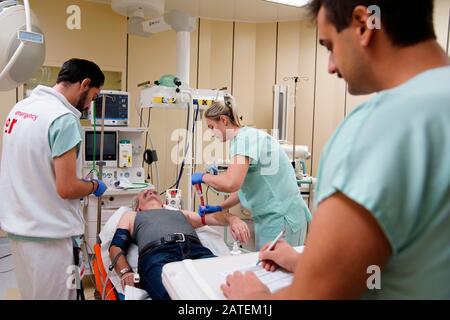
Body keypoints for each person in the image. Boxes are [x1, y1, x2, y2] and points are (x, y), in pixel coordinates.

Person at [221, 0, 450, 299]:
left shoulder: (377, 128)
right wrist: (306, 263)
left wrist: (253, 298)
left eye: (329, 45)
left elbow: (318, 296)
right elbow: (412, 259)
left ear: (363, 23)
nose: (330, 65)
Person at [0, 58, 108, 300]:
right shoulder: (63, 119)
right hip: (51, 239)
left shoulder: (21, 109)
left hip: (18, 231)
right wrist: (93, 186)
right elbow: (67, 187)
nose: (90, 105)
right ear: (85, 84)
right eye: (93, 96)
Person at [191, 94, 312, 250]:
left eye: (211, 127)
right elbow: (243, 188)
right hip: (275, 218)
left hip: (281, 219)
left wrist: (204, 177)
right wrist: (220, 207)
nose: (212, 133)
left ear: (223, 120)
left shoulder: (243, 140)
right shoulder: (247, 137)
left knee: (276, 271)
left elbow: (231, 183)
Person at [109, 188, 250, 300]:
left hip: (196, 250)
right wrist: (125, 272)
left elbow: (213, 217)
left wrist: (233, 219)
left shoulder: (179, 213)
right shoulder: (132, 216)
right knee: (173, 295)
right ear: (138, 207)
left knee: (223, 288)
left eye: (153, 192)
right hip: (157, 255)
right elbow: (116, 246)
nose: (150, 191)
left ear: (163, 203)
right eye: (145, 193)